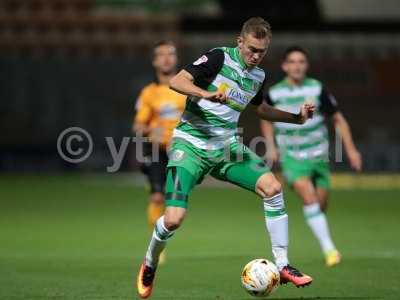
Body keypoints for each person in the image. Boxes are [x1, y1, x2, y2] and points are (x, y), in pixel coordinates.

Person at [137, 18, 315, 299]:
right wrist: (205, 94)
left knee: (273, 188)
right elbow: (177, 80)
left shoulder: (258, 76)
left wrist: (297, 118)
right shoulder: (218, 57)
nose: (256, 56)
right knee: (173, 219)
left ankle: (282, 265)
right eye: (252, 49)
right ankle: (149, 262)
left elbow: (261, 109)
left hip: (226, 148)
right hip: (190, 145)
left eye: (262, 51)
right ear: (240, 41)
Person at [260, 46, 362, 267]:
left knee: (319, 207)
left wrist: (351, 149)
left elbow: (337, 119)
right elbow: (265, 117)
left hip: (319, 156)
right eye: (292, 62)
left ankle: (320, 232)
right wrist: (271, 145)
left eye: (301, 61)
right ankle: (330, 250)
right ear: (284, 66)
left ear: (306, 65)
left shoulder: (317, 89)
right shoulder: (274, 93)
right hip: (293, 158)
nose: (297, 66)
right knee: (310, 199)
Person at [133, 40, 186, 264]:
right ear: (155, 61)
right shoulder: (149, 93)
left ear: (176, 59)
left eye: (170, 54)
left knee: (176, 203)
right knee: (156, 196)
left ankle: (163, 234)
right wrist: (149, 130)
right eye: (161, 55)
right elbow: (138, 126)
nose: (166, 58)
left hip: (183, 150)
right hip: (156, 150)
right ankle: (158, 247)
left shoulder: (187, 88)